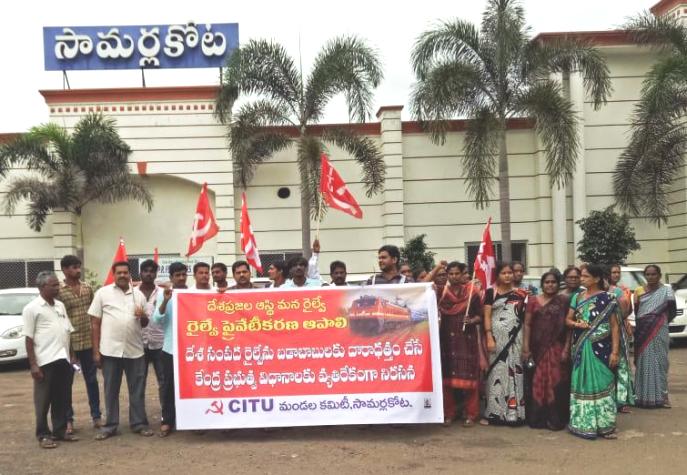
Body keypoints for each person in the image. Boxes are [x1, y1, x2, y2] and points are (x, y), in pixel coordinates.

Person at [89, 261, 153, 440]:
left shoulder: (138, 295)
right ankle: (110, 426)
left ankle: (139, 423)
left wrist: (143, 316)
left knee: (137, 390)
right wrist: (96, 351)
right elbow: (95, 324)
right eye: (119, 273)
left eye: (125, 272)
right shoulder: (102, 293)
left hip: (135, 350)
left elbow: (145, 323)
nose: (123, 275)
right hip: (110, 351)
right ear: (114, 274)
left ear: (130, 274)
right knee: (111, 390)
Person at [566, 264, 621, 440]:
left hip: (602, 349)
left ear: (596, 278)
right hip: (581, 347)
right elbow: (567, 320)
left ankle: (605, 425)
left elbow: (614, 327)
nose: (581, 279)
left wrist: (615, 352)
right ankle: (582, 423)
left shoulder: (609, 298)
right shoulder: (577, 297)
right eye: (581, 276)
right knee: (581, 383)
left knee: (604, 382)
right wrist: (577, 324)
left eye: (585, 276)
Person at [23, 271, 78, 448]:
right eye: (53, 285)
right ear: (41, 287)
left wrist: (72, 356)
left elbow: (67, 331)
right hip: (45, 362)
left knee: (61, 398)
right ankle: (43, 435)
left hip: (63, 359)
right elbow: (28, 339)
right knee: (43, 401)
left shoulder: (60, 306)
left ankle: (59, 431)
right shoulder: (32, 308)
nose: (57, 288)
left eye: (57, 284)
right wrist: (33, 365)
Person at [522, 271, 570, 430]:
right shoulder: (533, 301)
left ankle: (555, 419)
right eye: (547, 282)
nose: (550, 285)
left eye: (553, 282)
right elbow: (527, 324)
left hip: (556, 347)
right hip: (537, 349)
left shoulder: (564, 301)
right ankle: (538, 418)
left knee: (556, 381)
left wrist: (567, 348)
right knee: (537, 381)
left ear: (558, 284)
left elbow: (568, 326)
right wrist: (526, 348)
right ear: (542, 284)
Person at [58, 255, 100, 433]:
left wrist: (97, 344)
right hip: (69, 345)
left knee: (92, 381)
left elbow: (94, 315)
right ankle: (68, 420)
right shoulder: (59, 291)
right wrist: (69, 350)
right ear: (64, 270)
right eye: (73, 267)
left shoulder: (87, 288)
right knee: (66, 384)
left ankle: (96, 417)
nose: (77, 270)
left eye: (78, 267)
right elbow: (59, 320)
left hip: (88, 342)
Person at [438, 262, 483, 427]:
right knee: (447, 379)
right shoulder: (442, 292)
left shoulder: (472, 293)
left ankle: (471, 414)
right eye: (451, 274)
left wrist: (471, 320)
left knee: (469, 379)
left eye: (457, 273)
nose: (454, 277)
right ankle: (449, 413)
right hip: (447, 341)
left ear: (463, 274)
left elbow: (480, 316)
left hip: (466, 340)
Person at [483, 262, 528, 426]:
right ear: (498, 276)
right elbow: (487, 316)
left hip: (515, 338)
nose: (508, 275)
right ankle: (495, 413)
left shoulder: (522, 293)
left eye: (510, 272)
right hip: (496, 339)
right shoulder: (490, 292)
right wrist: (489, 337)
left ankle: (515, 415)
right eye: (504, 273)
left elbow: (525, 319)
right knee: (496, 374)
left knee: (515, 371)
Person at [152, 262, 188, 437]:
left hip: (191, 350)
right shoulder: (164, 295)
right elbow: (157, 320)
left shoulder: (192, 293)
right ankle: (167, 421)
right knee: (168, 386)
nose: (181, 278)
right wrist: (166, 301)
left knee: (191, 385)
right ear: (171, 277)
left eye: (183, 274)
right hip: (170, 348)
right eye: (177, 275)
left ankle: (191, 418)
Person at [633, 264, 676, 409]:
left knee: (661, 362)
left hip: (660, 329)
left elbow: (672, 310)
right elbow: (638, 311)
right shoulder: (638, 291)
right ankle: (641, 396)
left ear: (659, 275)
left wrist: (660, 321)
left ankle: (663, 397)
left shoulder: (667, 290)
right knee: (643, 362)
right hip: (643, 330)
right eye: (648, 274)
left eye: (653, 274)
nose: (650, 277)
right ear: (645, 276)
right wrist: (648, 321)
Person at [136, 259, 165, 423]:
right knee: (139, 382)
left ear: (156, 274)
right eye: (145, 271)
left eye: (152, 271)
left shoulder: (163, 293)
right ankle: (140, 419)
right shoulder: (132, 293)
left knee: (163, 381)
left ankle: (166, 416)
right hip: (138, 344)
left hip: (160, 343)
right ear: (140, 273)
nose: (148, 274)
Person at [606, 264, 635, 413]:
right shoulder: (598, 291)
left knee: (621, 364)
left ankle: (622, 400)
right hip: (602, 333)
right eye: (613, 272)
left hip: (618, 329)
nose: (616, 275)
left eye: (618, 272)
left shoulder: (621, 291)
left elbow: (626, 311)